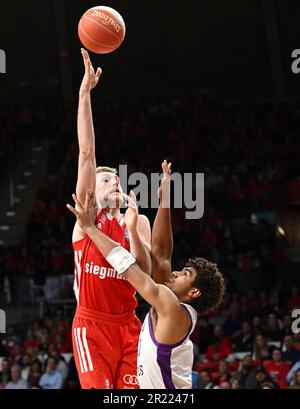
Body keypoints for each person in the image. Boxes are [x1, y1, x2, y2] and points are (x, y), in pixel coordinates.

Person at [67, 181, 225, 389]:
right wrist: (164, 202)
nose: (176, 273)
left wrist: (89, 228)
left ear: (194, 292)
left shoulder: (171, 308)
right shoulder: (169, 305)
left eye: (185, 274)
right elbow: (161, 256)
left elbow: (129, 268)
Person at [71, 49, 151, 389]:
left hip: (130, 325)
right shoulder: (86, 216)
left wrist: (133, 229)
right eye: (106, 180)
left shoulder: (138, 220)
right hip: (92, 327)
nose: (114, 182)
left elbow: (145, 278)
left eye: (117, 179)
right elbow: (87, 152)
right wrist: (84, 94)